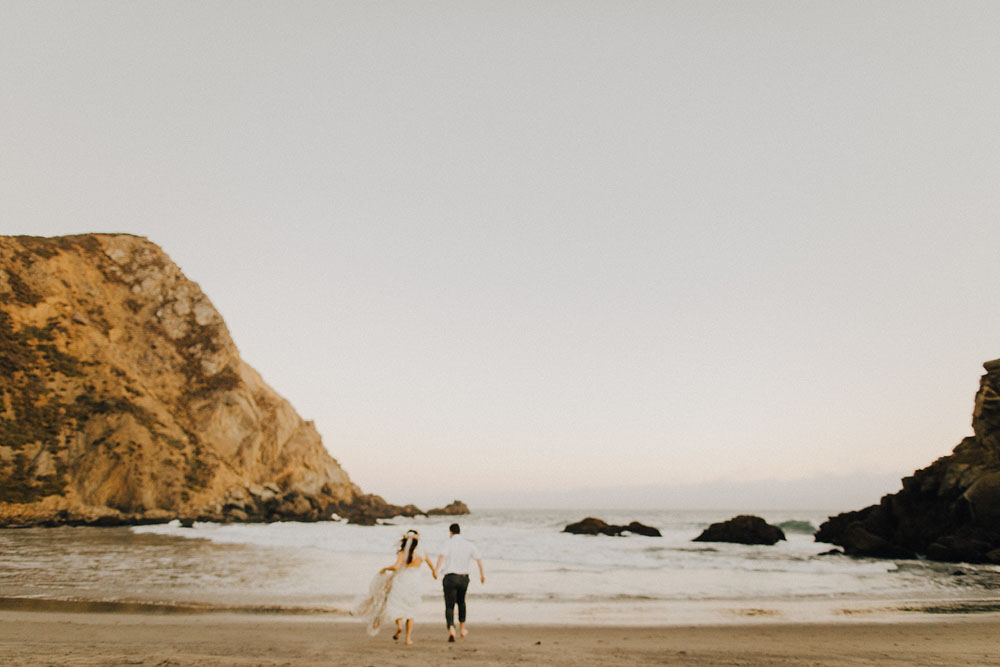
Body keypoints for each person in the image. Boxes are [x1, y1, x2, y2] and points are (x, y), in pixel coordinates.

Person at [379, 529, 437, 645]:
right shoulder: (422, 552)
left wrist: (385, 568)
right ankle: (408, 638)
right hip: (415, 582)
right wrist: (434, 573)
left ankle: (399, 625)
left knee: (396, 604)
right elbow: (431, 565)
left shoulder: (402, 552)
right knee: (411, 610)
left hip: (402, 580)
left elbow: (396, 567)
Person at [435, 523, 485, 642]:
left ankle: (452, 629)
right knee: (461, 602)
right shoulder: (468, 544)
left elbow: (442, 556)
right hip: (463, 577)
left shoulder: (448, 543)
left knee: (449, 605)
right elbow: (479, 559)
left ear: (450, 532)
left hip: (450, 576)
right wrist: (482, 575)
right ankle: (462, 629)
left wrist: (436, 570)